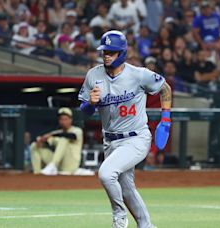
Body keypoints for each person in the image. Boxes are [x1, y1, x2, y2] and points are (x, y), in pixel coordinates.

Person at [78, 30, 171, 228]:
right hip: (110, 140)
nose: (106, 55)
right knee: (126, 188)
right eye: (104, 51)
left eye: (111, 52)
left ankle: (119, 218)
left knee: (106, 174)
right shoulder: (93, 75)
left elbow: (165, 88)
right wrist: (90, 104)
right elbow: (84, 111)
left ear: (122, 53)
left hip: (136, 138)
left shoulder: (139, 74)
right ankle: (146, 225)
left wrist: (166, 119)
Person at [30, 107, 83, 175]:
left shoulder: (77, 130)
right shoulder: (56, 133)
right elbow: (47, 142)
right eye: (61, 119)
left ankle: (52, 166)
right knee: (34, 145)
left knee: (63, 139)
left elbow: (71, 136)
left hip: (70, 166)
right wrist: (41, 141)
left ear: (71, 120)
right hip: (58, 165)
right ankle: (37, 173)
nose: (63, 122)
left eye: (65, 119)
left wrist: (51, 135)